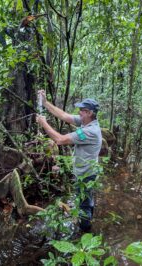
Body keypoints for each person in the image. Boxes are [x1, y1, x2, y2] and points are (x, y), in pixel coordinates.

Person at [36, 90, 102, 232]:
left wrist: (43, 123)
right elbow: (64, 116)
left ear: (89, 113)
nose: (79, 112)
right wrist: (45, 103)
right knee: (86, 200)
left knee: (84, 205)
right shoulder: (86, 123)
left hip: (86, 175)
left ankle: (84, 233)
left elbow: (59, 140)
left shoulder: (90, 131)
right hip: (86, 172)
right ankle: (87, 219)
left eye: (82, 111)